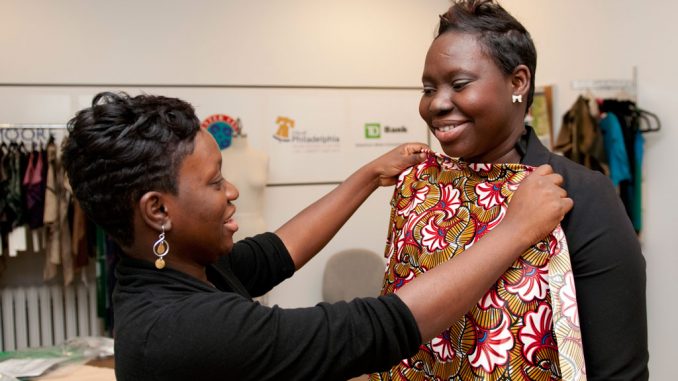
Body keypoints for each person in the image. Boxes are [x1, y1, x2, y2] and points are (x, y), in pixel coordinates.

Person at [61, 91, 571, 381]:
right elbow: (375, 328)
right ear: (158, 210)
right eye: (215, 181)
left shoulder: (171, 267)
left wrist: (369, 177)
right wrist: (515, 230)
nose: (232, 190)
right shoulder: (177, 328)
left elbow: (280, 250)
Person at [373, 1, 648, 380]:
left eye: (459, 84)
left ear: (518, 82)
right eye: (428, 88)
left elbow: (619, 368)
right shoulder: (422, 186)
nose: (435, 104)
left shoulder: (579, 194)